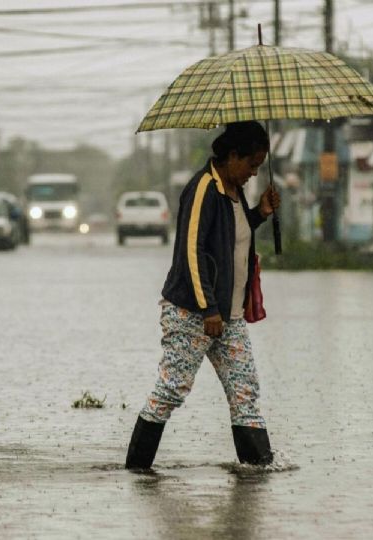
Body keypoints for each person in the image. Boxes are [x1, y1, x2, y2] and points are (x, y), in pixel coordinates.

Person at [125, 121, 280, 469]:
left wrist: (259, 215)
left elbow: (230, 239)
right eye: (250, 165)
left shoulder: (235, 193)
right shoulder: (203, 189)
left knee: (245, 393)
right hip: (191, 313)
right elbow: (192, 251)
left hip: (230, 317)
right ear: (232, 155)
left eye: (258, 166)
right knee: (171, 390)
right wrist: (208, 309)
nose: (254, 174)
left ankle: (258, 474)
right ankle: (136, 472)